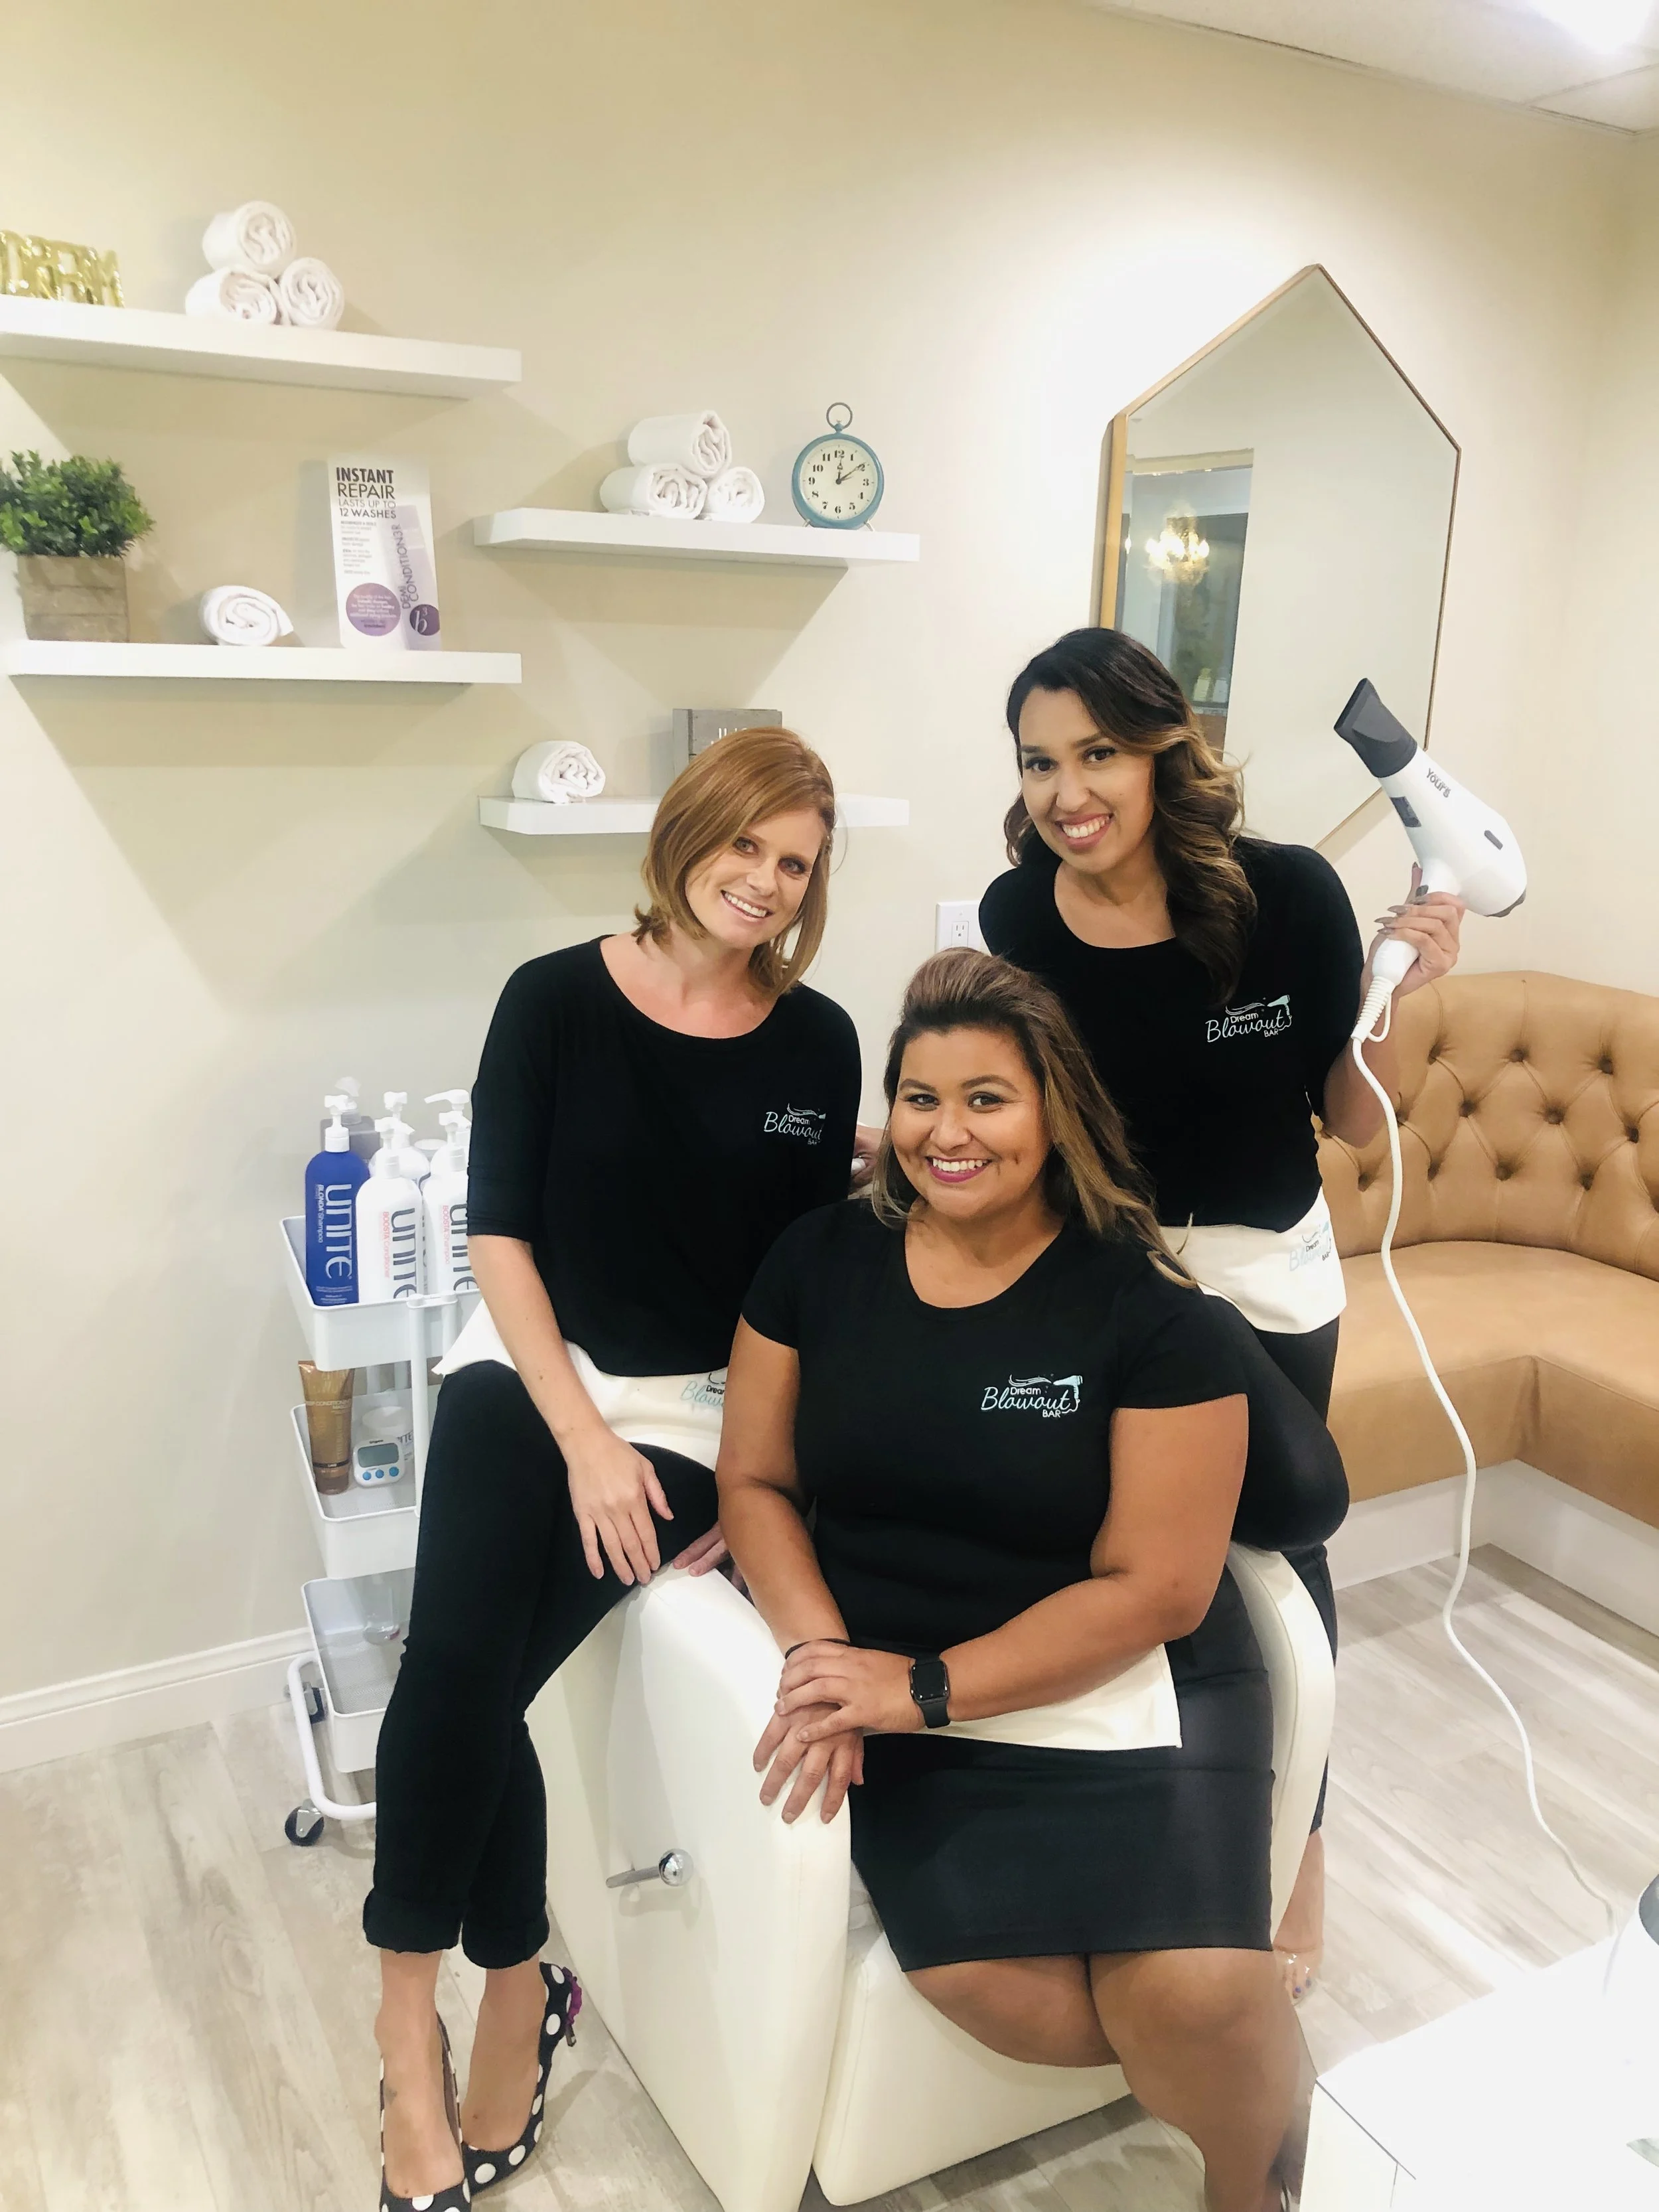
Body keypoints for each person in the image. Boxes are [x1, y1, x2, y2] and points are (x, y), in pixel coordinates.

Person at [720, 949, 1340, 2212]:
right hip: (903, 1675)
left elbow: (1159, 1589)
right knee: (987, 1983)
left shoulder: (1147, 1309)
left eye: (986, 1099)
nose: (946, 1133)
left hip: (1133, 1676)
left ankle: (1248, 2178)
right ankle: (1250, 2063)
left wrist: (923, 1689)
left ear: (1055, 1113)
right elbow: (756, 1483)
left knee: (1190, 1995)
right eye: (920, 1098)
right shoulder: (816, 1261)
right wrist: (822, 1658)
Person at [364, 727, 862, 2211]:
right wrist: (580, 1435)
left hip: (699, 1413)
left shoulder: (818, 1040)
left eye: (796, 863)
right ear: (687, 833)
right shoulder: (554, 999)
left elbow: (796, 1289)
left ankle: (518, 1988)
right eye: (746, 843)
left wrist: (767, 1482)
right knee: (457, 1662)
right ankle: (414, 2025)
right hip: (532, 1365)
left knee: (482, 1679)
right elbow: (497, 1231)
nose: (764, 882)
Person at [977, 626, 1465, 1996]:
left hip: (1262, 1276)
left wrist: (1395, 997)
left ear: (1159, 752)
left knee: (1278, 1549)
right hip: (1106, 1273)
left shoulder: (1285, 894)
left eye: (1096, 754)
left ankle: (1296, 1850)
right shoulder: (1018, 919)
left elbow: (1352, 1119)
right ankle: (1133, 1831)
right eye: (1037, 762)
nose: (1067, 791)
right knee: (1115, 1559)